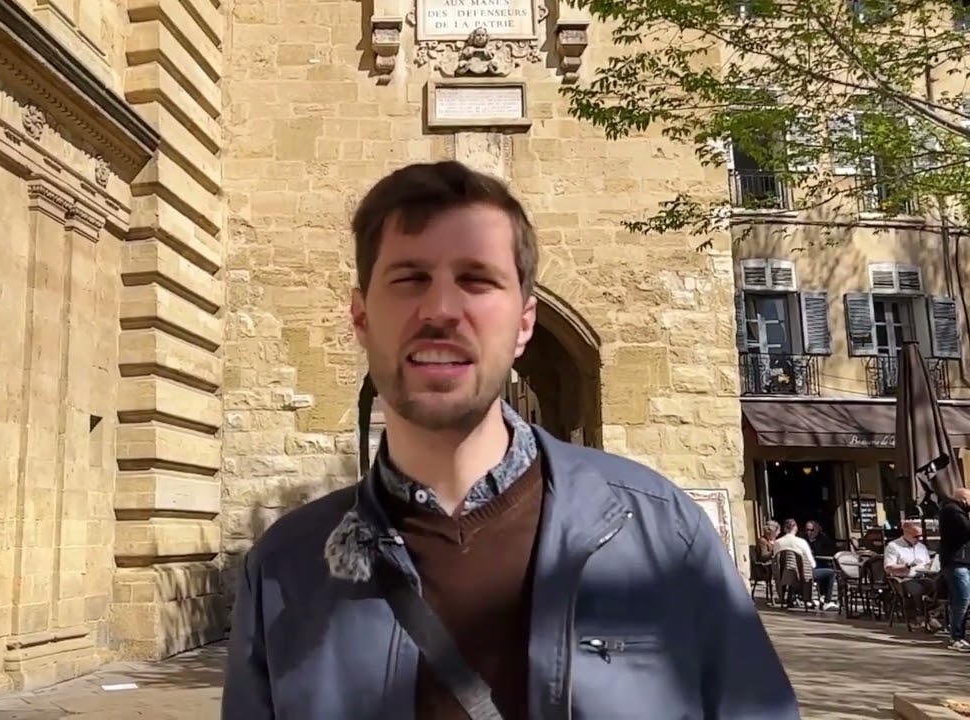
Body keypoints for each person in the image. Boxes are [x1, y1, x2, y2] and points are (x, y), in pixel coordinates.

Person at [221, 161, 798, 719]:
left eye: (476, 280)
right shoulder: (284, 570)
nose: (442, 310)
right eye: (410, 279)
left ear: (524, 323)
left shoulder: (660, 534)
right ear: (361, 317)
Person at [939, 488, 970, 651]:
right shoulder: (952, 510)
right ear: (963, 499)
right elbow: (967, 530)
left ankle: (958, 634)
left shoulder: (958, 511)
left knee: (961, 600)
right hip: (956, 562)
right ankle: (956, 637)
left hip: (962, 562)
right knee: (962, 600)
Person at [883, 520, 937, 611]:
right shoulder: (893, 546)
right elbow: (888, 568)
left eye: (920, 536)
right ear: (906, 533)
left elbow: (927, 563)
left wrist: (932, 565)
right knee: (918, 589)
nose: (919, 539)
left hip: (922, 577)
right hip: (903, 579)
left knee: (940, 586)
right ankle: (920, 616)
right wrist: (907, 566)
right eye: (916, 536)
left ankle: (932, 613)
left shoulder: (921, 547)